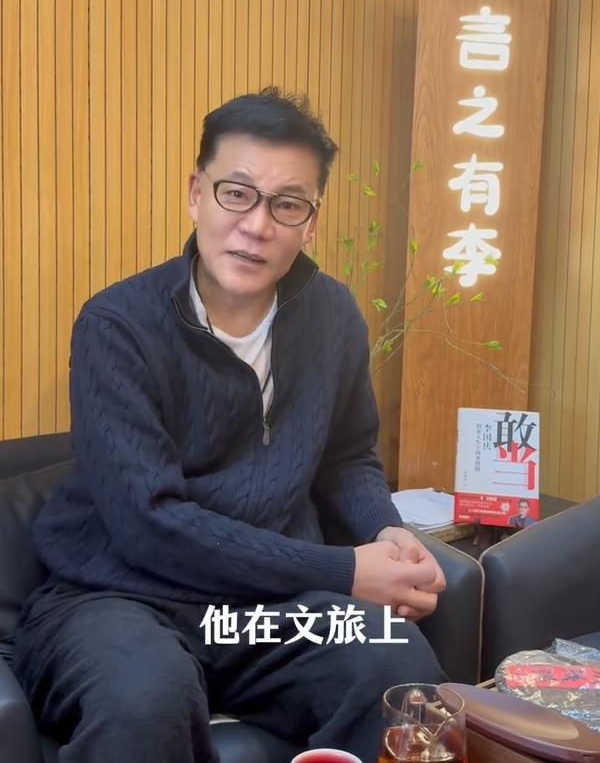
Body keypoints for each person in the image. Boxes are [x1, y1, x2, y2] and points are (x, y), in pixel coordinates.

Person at [14, 89, 446, 763]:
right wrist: (344, 570)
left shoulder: (332, 317)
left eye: (288, 204)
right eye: (237, 194)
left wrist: (385, 531)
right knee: (145, 700)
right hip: (117, 598)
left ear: (311, 221)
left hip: (261, 611)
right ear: (197, 195)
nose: (257, 226)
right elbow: (148, 524)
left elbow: (346, 458)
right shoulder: (117, 325)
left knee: (401, 671)